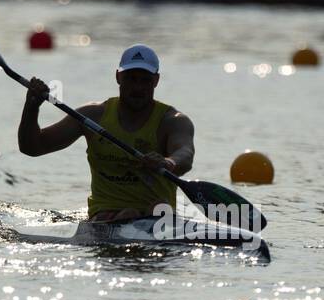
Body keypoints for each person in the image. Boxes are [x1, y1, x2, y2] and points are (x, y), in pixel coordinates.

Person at [17, 45, 195, 223]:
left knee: (150, 211)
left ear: (156, 80)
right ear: (118, 76)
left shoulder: (173, 121)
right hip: (105, 215)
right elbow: (32, 147)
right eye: (131, 79)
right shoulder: (92, 116)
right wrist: (31, 107)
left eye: (145, 80)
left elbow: (185, 154)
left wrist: (168, 162)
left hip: (157, 214)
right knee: (129, 214)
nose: (137, 87)